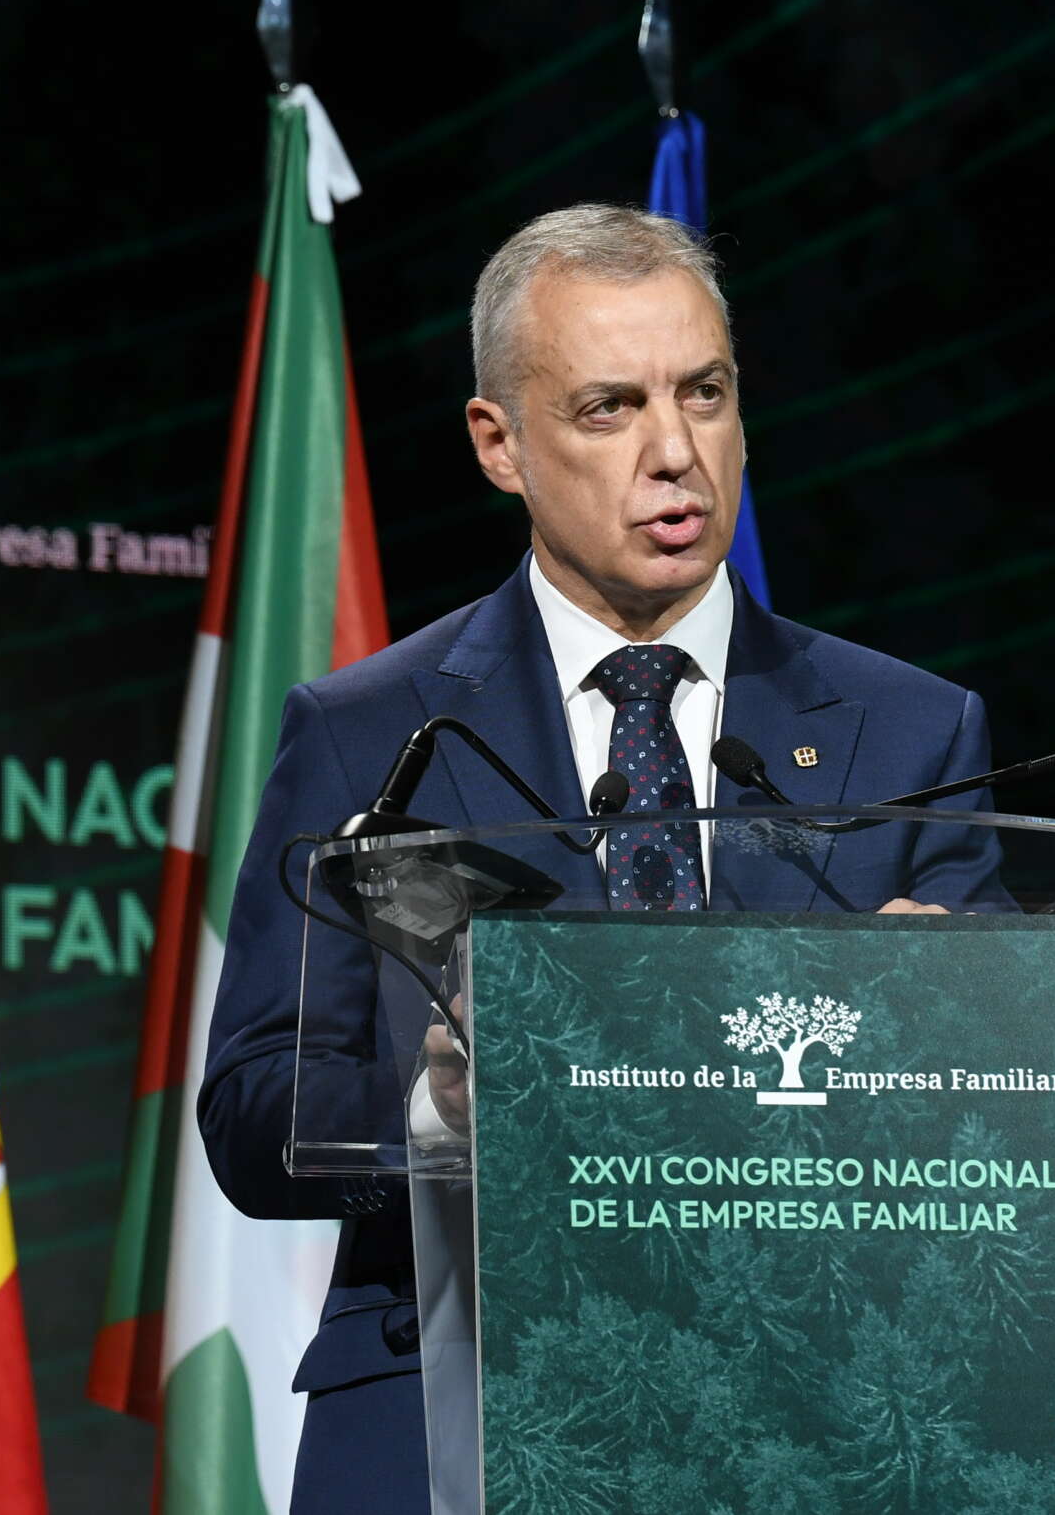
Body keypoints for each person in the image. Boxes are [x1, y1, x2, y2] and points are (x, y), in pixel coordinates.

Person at [196, 204, 1007, 1514]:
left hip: (816, 1436)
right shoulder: (367, 735)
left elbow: (1011, 1116)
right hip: (454, 1423)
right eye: (610, 409)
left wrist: (957, 1030)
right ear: (499, 443)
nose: (676, 453)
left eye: (705, 393)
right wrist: (434, 1111)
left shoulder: (911, 733)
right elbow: (251, 1107)